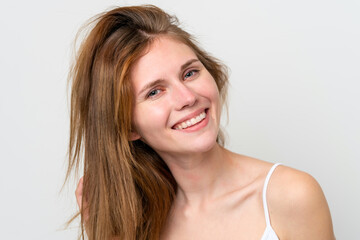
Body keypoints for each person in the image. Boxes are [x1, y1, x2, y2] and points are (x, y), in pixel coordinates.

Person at [67, 5, 335, 240]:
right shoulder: (137, 223)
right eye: (154, 91)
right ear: (128, 127)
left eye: (190, 72)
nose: (188, 97)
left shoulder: (291, 195)